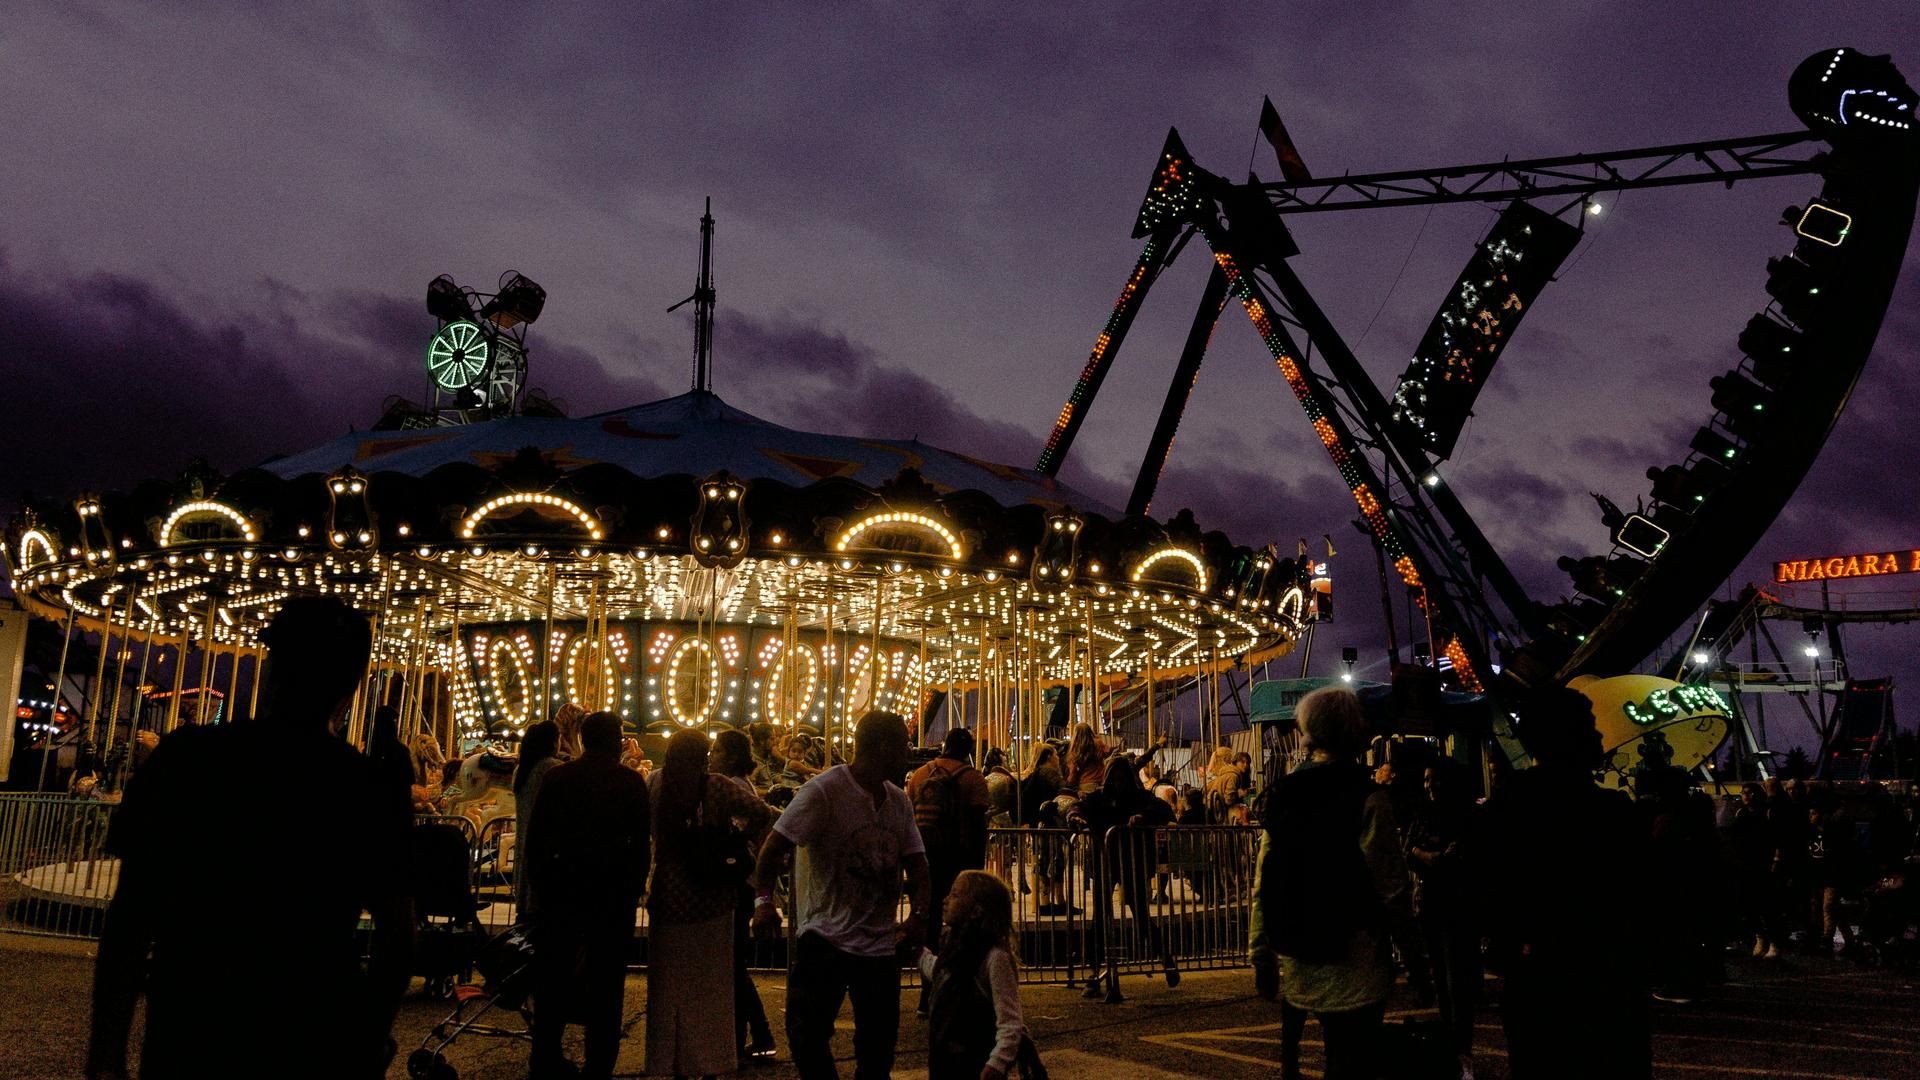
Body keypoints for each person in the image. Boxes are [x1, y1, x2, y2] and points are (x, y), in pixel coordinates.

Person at [87, 597, 412, 1080]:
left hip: (195, 1013)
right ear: (351, 685)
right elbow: (397, 933)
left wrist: (106, 1053)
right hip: (313, 1019)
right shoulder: (364, 786)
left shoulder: (185, 760)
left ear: (274, 666)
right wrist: (369, 1030)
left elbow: (131, 916)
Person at [1481, 688, 1651, 1079]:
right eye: (1589, 727)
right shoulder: (1611, 816)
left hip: (1537, 985)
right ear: (1568, 737)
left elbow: (1487, 894)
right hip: (1605, 985)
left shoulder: (1503, 811)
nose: (1600, 737)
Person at [752, 711, 930, 1080]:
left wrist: (918, 916)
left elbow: (919, 865)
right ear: (883, 747)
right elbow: (773, 847)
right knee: (807, 1032)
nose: (907, 753)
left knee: (878, 1047)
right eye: (902, 744)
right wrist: (764, 902)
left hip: (879, 945)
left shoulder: (898, 801)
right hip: (826, 937)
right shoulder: (824, 791)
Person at [1252, 687, 1408, 1080]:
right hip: (1356, 949)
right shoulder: (1369, 797)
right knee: (1352, 1058)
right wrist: (1414, 954)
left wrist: (1260, 950)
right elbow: (1389, 885)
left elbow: (1263, 876)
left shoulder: (1282, 794)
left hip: (1300, 945)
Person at [525, 711, 652, 1080]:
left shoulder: (557, 778)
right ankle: (599, 1064)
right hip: (610, 896)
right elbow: (640, 845)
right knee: (607, 984)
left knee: (553, 980)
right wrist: (633, 889)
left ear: (582, 739)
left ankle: (545, 1056)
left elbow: (537, 839)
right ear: (616, 740)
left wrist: (540, 886)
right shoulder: (630, 783)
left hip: (561, 893)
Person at [647, 729, 774, 1078]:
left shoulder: (655, 783)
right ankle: (711, 1059)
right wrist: (735, 838)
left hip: (667, 896)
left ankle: (666, 1058)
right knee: (711, 985)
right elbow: (763, 812)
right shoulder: (716, 786)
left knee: (668, 985)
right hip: (712, 898)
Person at [1071, 753, 1179, 1002]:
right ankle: (1097, 972)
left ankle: (1163, 958)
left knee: (1138, 914)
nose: (1118, 784)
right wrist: (1074, 816)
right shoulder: (1103, 798)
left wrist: (1144, 817)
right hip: (1110, 861)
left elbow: (1161, 809)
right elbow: (1081, 806)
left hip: (1129, 861)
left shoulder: (1139, 799)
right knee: (1102, 918)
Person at [907, 727, 992, 1012]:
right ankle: (959, 991)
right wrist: (978, 867)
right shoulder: (972, 777)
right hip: (958, 859)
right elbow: (978, 824)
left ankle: (926, 993)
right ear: (968, 750)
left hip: (925, 858)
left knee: (930, 923)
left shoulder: (919, 775)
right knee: (962, 925)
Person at [1406, 759, 1481, 1077]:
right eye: (1426, 780)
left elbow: (1460, 857)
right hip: (1431, 904)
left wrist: (1427, 857)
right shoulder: (1424, 814)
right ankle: (1454, 1048)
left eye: (1434, 780)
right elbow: (1409, 849)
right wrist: (1433, 857)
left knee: (1456, 983)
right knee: (1442, 980)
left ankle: (1462, 1049)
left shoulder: (1466, 815)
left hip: (1457, 905)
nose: (1429, 786)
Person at [916, 870, 1029, 1080]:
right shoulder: (954, 946)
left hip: (974, 1062)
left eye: (955, 895)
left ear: (976, 910)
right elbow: (941, 973)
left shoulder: (995, 958)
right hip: (945, 1062)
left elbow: (1011, 1020)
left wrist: (997, 1062)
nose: (946, 900)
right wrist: (919, 954)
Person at [712, 729, 780, 1063]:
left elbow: (755, 819)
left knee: (732, 964)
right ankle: (743, 1036)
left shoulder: (734, 787)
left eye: (718, 751)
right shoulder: (743, 785)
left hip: (739, 878)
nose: (713, 756)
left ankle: (758, 1033)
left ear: (732, 756)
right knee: (732, 963)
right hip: (745, 876)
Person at [511, 719, 563, 917]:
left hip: (525, 842)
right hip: (547, 845)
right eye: (558, 739)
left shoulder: (520, 770)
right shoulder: (551, 767)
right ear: (551, 742)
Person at [1063, 723, 1107, 795]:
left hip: (1086, 784)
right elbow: (1107, 752)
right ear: (1090, 731)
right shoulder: (1098, 743)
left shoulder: (1075, 749)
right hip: (1102, 781)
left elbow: (1073, 771)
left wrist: (1069, 782)